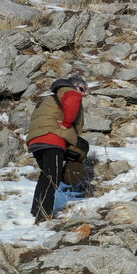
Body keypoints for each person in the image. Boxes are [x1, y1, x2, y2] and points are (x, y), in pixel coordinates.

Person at [26, 75, 87, 223]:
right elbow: (73, 98)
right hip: (52, 141)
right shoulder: (70, 92)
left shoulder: (49, 100)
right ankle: (44, 214)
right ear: (74, 86)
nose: (84, 93)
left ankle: (37, 209)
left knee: (46, 176)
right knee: (52, 178)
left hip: (36, 142)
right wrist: (67, 124)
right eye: (82, 89)